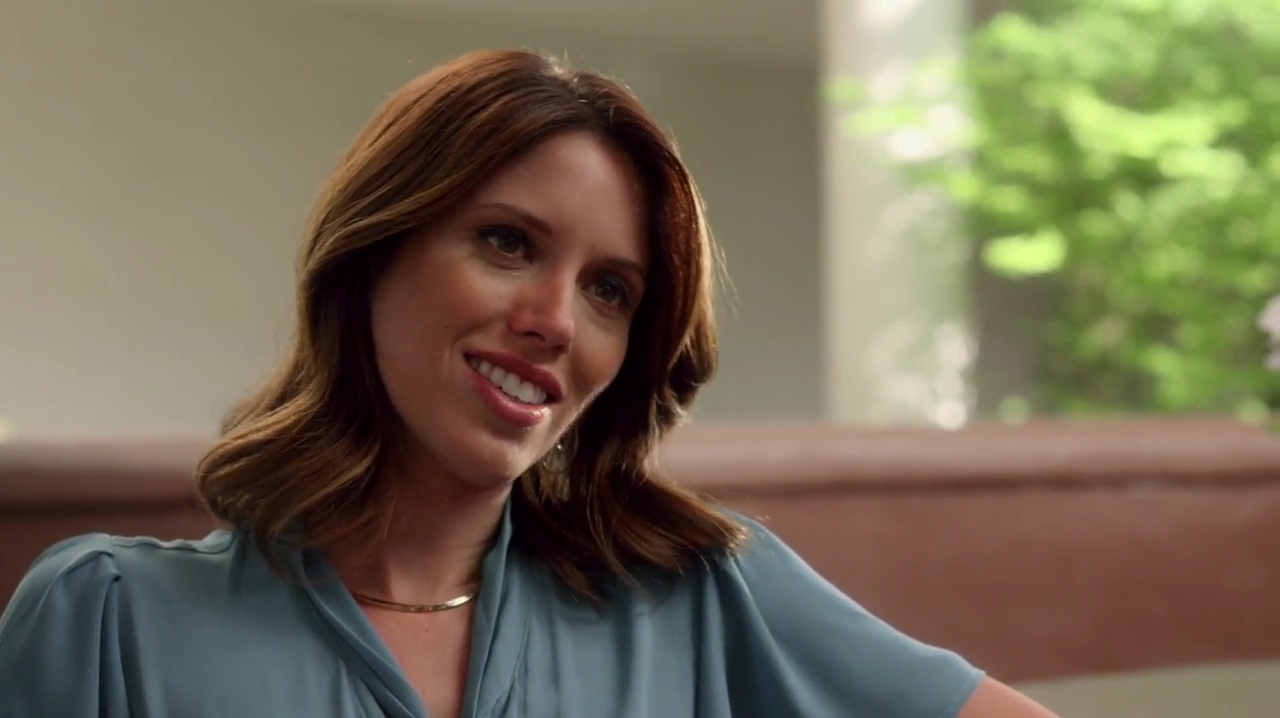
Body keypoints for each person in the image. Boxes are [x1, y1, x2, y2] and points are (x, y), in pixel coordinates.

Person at [0, 49, 1057, 718]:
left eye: (608, 291)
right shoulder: (109, 622)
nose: (555, 321)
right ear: (374, 253)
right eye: (507, 242)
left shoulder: (696, 595)